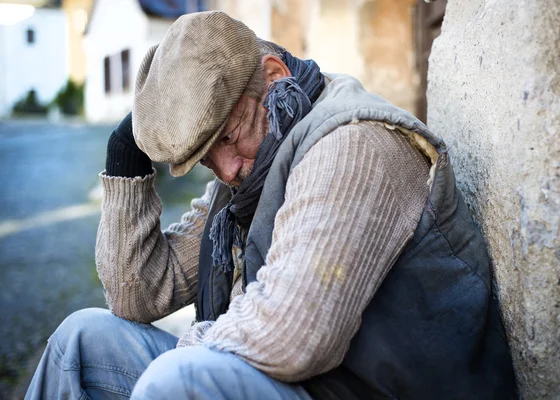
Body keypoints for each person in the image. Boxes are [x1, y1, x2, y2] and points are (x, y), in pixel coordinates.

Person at [26, 11, 516, 400]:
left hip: (374, 390)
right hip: (309, 386)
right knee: (81, 341)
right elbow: (140, 294)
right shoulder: (250, 172)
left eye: (229, 137)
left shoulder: (355, 145)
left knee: (180, 382)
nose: (228, 171)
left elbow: (294, 336)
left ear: (275, 75)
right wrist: (127, 152)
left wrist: (191, 345)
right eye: (205, 160)